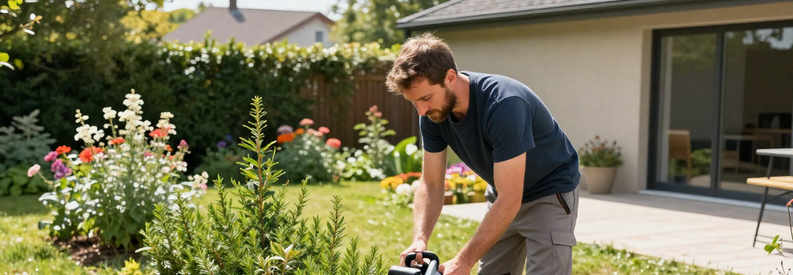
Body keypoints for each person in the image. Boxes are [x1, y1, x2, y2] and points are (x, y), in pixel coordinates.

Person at [385, 33, 581, 275]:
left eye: (425, 98)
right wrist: (419, 239)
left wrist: (463, 260)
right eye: (414, 102)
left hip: (549, 192)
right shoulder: (432, 114)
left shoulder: (503, 105)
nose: (422, 110)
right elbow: (432, 182)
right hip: (503, 194)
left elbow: (512, 198)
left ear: (450, 77)